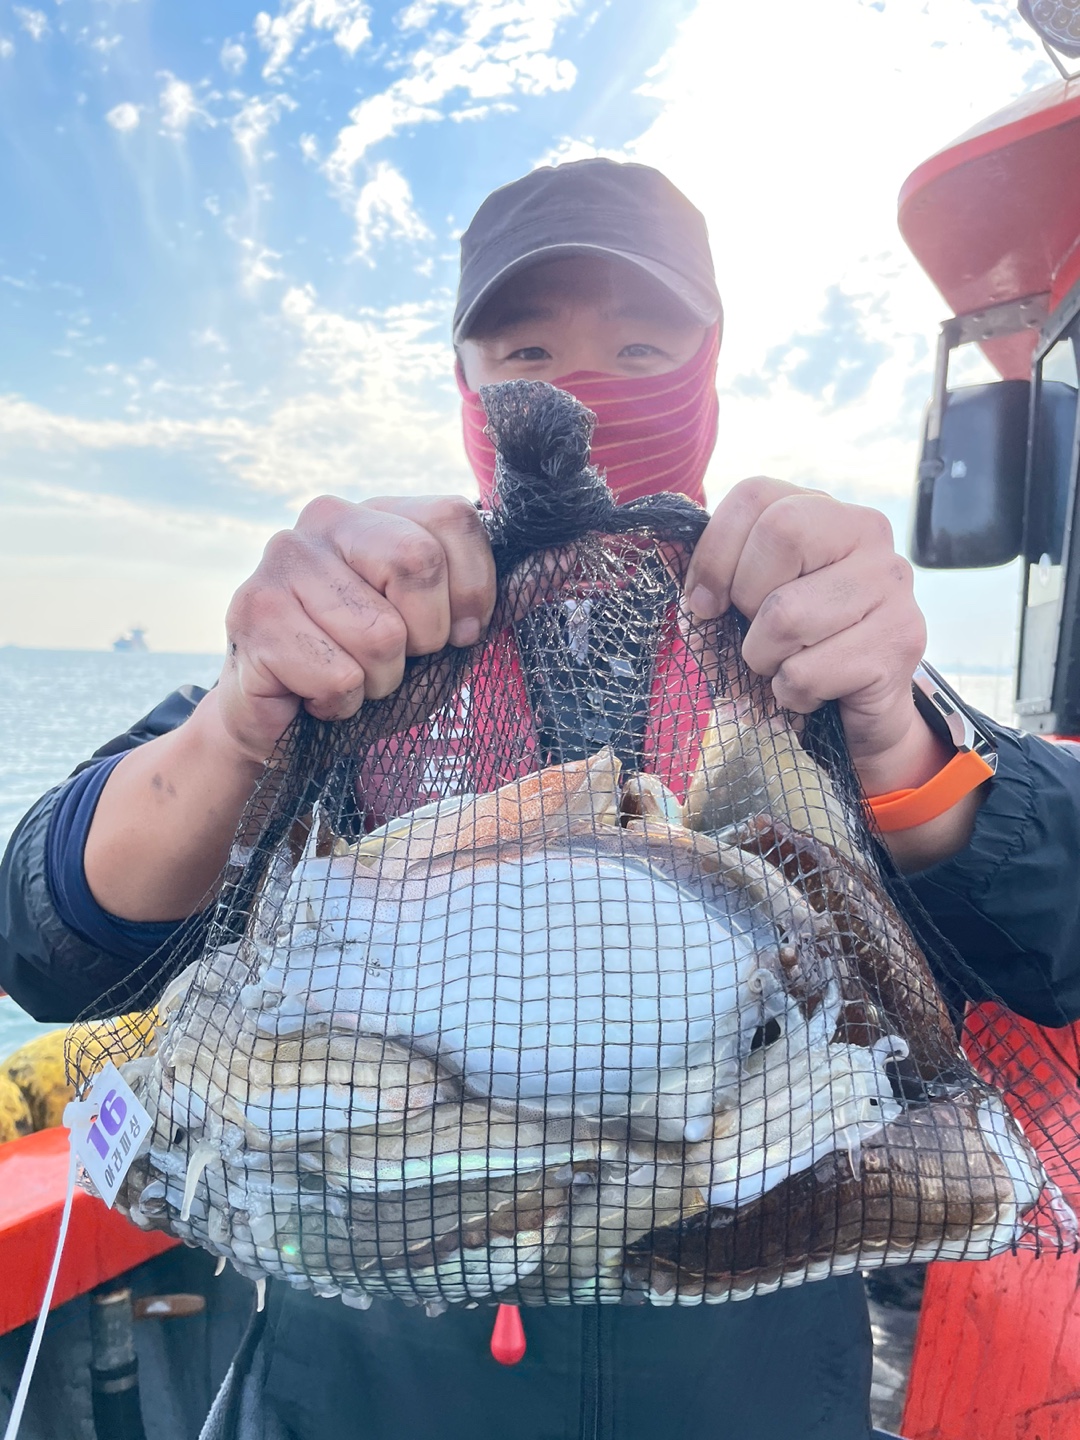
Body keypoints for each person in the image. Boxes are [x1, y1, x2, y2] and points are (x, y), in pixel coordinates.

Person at [3, 159, 1080, 1440]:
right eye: (527, 348)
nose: (580, 389)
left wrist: (898, 732)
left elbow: (1054, 936)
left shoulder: (809, 648)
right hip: (364, 1396)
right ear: (468, 382)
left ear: (710, 369)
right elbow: (47, 939)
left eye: (641, 346)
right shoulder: (363, 649)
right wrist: (243, 714)